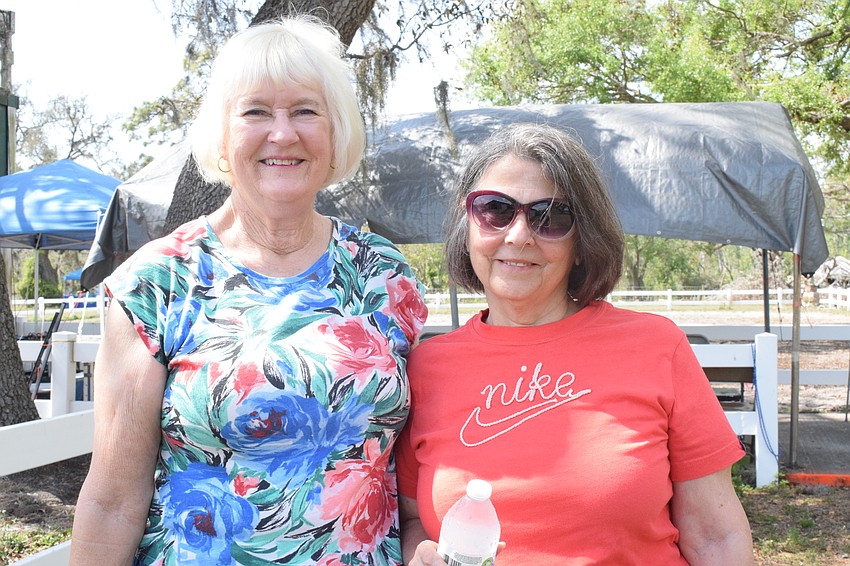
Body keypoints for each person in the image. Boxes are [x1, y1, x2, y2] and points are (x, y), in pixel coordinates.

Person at [70, 16, 428, 566]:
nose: (282, 133)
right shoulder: (158, 282)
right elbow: (114, 501)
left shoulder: (384, 274)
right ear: (221, 134)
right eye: (256, 111)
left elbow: (412, 479)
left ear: (336, 132)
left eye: (306, 110)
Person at [395, 123, 754, 565]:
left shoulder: (655, 346)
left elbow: (717, 539)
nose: (518, 235)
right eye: (495, 209)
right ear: (467, 224)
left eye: (550, 217)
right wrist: (419, 556)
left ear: (582, 241)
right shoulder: (425, 368)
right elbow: (412, 520)